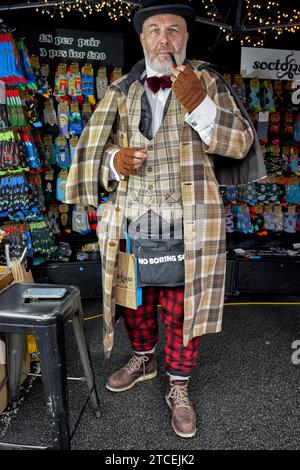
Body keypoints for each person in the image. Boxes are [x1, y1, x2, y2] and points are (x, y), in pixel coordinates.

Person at [65, 0, 265, 439]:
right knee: (136, 304)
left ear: (185, 38)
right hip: (132, 222)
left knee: (182, 311)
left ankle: (178, 385)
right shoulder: (119, 91)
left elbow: (240, 144)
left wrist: (201, 105)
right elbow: (90, 162)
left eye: (173, 29)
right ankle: (143, 357)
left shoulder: (208, 81)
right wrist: (115, 162)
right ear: (142, 39)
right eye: (154, 29)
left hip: (189, 223)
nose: (163, 38)